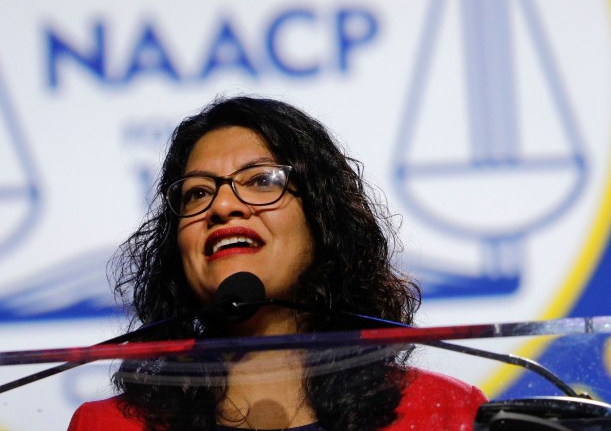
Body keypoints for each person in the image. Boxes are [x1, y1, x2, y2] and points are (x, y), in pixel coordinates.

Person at [68, 96, 486, 431]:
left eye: (260, 180)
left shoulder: (445, 415)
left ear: (322, 220)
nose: (223, 206)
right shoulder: (106, 426)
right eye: (197, 193)